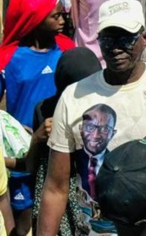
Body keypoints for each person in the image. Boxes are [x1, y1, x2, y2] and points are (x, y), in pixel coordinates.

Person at [38, 0, 146, 236]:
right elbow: (56, 187)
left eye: (126, 38)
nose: (115, 48)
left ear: (145, 38)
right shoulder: (75, 96)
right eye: (108, 38)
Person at [0, 0, 74, 236]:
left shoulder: (68, 51)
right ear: (35, 19)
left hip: (61, 151)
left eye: (63, 14)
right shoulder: (8, 59)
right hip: (22, 154)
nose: (63, 19)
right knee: (22, 223)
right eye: (55, 16)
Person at [29, 48, 102, 236]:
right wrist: (37, 138)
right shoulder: (45, 109)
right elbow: (32, 165)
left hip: (89, 194)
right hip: (56, 194)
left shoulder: (103, 111)